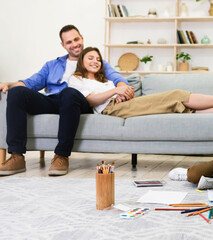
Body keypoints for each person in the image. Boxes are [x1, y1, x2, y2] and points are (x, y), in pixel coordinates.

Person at [0, 25, 134, 176]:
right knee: (17, 92)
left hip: (79, 102)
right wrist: (8, 84)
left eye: (76, 39)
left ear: (82, 38)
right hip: (53, 100)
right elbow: (30, 83)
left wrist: (122, 89)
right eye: (69, 42)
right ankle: (17, 157)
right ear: (63, 45)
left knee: (69, 93)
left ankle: (61, 156)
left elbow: (118, 79)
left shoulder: (96, 61)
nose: (74, 44)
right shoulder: (52, 65)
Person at [67, 47, 213, 119]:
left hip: (121, 104)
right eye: (91, 58)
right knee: (175, 95)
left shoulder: (104, 80)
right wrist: (115, 92)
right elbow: (90, 100)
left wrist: (124, 91)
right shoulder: (76, 79)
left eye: (98, 59)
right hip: (109, 109)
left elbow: (119, 91)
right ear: (81, 60)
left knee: (181, 107)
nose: (95, 61)